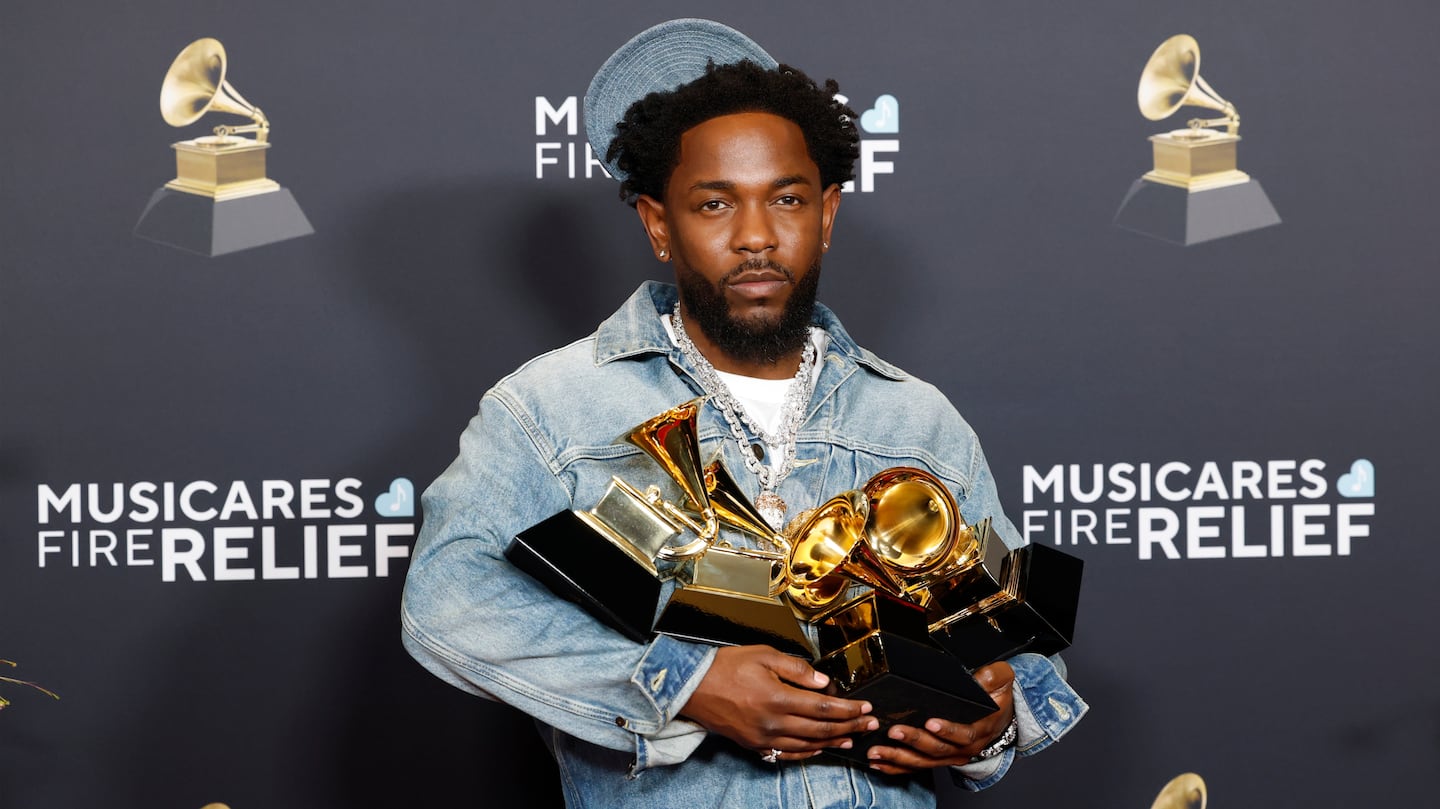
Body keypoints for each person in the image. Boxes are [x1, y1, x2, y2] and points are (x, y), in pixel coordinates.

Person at [401, 18, 1086, 808]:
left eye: (786, 199)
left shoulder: (918, 419)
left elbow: (1014, 641)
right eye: (715, 203)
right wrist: (685, 685)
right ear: (659, 224)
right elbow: (447, 599)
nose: (756, 236)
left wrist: (992, 719)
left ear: (827, 214)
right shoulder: (549, 408)